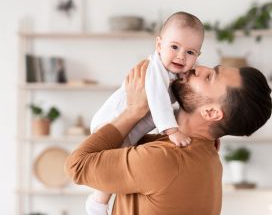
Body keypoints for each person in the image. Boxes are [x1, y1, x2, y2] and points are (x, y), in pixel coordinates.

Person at [65, 59, 272, 215]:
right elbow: (122, 147)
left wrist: (134, 110)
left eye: (209, 77)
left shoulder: (166, 160)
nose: (198, 68)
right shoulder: (207, 158)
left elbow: (77, 166)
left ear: (211, 113)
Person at [86, 11, 204, 215]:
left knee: (120, 164)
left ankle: (100, 201)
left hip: (130, 129)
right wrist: (172, 130)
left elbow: (178, 100)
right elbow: (159, 100)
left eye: (190, 52)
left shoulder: (174, 74)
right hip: (113, 121)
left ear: (197, 56)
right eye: (174, 47)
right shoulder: (155, 69)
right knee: (116, 165)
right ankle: (97, 203)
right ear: (159, 45)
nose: (181, 56)